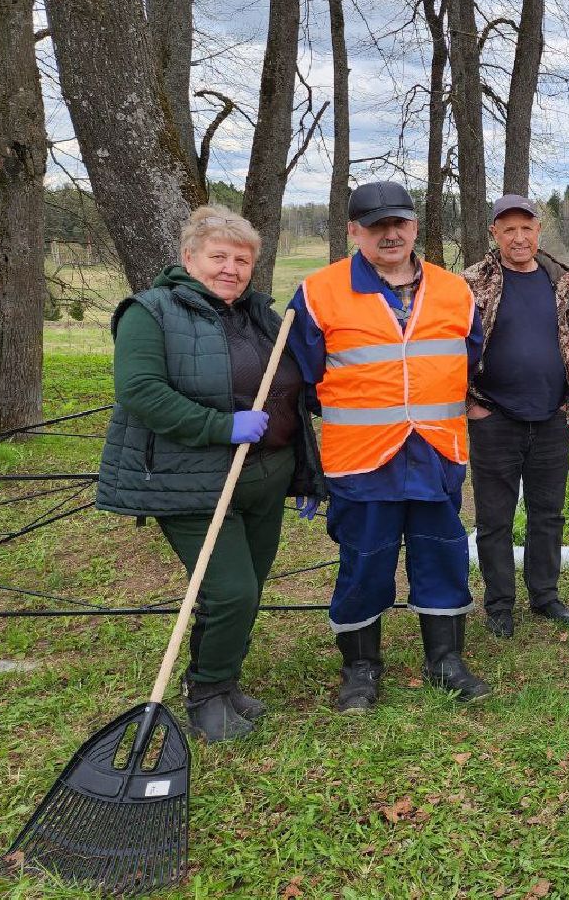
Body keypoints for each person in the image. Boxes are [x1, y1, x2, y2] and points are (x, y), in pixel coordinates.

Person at [97, 206, 325, 742]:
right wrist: (222, 426)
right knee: (231, 591)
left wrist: (307, 468)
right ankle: (205, 697)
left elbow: (295, 383)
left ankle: (226, 686)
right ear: (188, 258)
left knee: (248, 587)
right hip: (197, 482)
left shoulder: (260, 316)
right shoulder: (149, 312)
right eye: (218, 256)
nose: (231, 268)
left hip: (268, 476)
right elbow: (141, 392)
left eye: (241, 260)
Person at [287, 180, 488, 713]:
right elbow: (303, 378)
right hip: (361, 460)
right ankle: (360, 669)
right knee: (364, 561)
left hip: (437, 454)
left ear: (415, 226)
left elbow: (469, 358)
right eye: (376, 226)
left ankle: (445, 660)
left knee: (442, 556)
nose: (390, 233)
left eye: (399, 222)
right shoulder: (318, 292)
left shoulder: (454, 291)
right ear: (354, 231)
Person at [462, 194, 569, 638]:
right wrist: (471, 405)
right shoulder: (472, 284)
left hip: (551, 417)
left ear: (539, 231)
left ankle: (545, 594)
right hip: (494, 417)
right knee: (495, 519)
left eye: (526, 228)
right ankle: (500, 603)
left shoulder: (563, 283)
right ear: (494, 234)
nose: (519, 238)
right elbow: (447, 349)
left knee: (548, 512)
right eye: (509, 229)